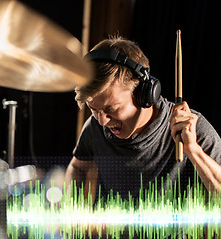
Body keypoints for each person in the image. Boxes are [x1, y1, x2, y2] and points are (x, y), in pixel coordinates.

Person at [65, 36, 221, 205]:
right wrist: (73, 207)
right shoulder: (95, 128)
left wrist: (193, 150)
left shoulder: (194, 131)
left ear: (144, 95)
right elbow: (78, 167)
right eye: (94, 109)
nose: (102, 121)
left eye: (112, 109)